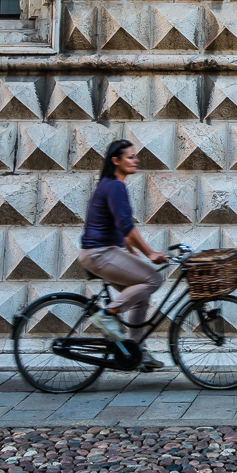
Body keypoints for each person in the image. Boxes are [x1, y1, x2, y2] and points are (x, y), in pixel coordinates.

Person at [78, 139, 168, 371]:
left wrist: (132, 249)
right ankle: (108, 314)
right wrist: (150, 254)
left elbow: (121, 230)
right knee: (154, 278)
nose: (135, 160)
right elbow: (126, 226)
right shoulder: (115, 186)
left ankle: (136, 350)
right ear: (115, 161)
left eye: (135, 156)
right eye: (130, 157)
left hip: (101, 252)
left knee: (141, 296)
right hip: (100, 253)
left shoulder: (111, 184)